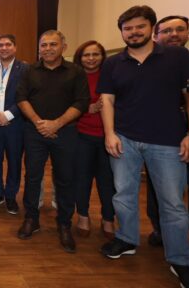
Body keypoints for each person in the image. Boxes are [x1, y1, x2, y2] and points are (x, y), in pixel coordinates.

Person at [98, 5, 189, 287]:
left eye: (139, 26)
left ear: (152, 29)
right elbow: (107, 100)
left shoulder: (178, 57)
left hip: (168, 141)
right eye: (128, 28)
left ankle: (181, 259)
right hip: (125, 139)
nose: (134, 32)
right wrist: (110, 134)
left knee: (173, 204)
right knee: (123, 195)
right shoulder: (113, 63)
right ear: (122, 32)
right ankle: (126, 239)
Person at [16, 30, 89, 253]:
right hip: (34, 132)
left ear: (63, 47)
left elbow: (82, 102)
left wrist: (56, 124)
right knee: (32, 177)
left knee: (65, 179)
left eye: (53, 44)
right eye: (44, 45)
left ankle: (64, 224)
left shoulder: (76, 71)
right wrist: (40, 123)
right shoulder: (29, 71)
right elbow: (21, 98)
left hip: (65, 133)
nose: (47, 49)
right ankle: (31, 218)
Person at [148, 15, 189, 249]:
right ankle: (160, 229)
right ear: (156, 35)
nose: (174, 35)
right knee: (159, 185)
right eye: (167, 31)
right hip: (161, 131)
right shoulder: (147, 62)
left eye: (180, 29)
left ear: (188, 32)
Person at [71, 40, 115, 239]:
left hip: (109, 137)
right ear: (80, 58)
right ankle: (83, 216)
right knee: (82, 179)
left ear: (102, 56)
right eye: (86, 55)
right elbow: (65, 102)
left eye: (95, 54)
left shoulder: (111, 76)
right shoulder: (74, 77)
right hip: (81, 135)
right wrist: (85, 108)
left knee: (107, 181)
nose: (90, 58)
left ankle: (108, 218)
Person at [0, 34, 28, 215]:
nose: (4, 48)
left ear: (15, 47)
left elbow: (27, 96)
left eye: (8, 45)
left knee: (14, 161)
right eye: (0, 45)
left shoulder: (25, 69)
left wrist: (9, 115)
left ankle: (10, 196)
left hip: (15, 123)